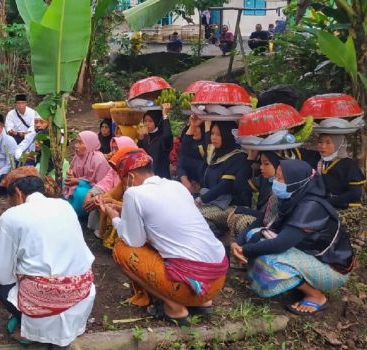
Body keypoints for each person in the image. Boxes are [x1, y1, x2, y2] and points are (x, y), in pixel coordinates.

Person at [98, 149, 228, 325]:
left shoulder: (134, 194)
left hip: (185, 287)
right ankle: (203, 303)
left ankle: (174, 307)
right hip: (217, 280)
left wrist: (113, 216)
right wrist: (125, 212)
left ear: (130, 176)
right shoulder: (176, 186)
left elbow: (133, 240)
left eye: (123, 180)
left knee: (121, 250)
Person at [0, 166, 95, 347]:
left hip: (44, 307)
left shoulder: (12, 216)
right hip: (80, 296)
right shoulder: (64, 206)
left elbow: (0, 274)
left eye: (11, 199)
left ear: (17, 192)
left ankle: (25, 322)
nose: (11, 204)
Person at [231, 160, 354, 315]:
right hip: (306, 253)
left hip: (332, 269)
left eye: (281, 179)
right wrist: (238, 243)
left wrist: (246, 250)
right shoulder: (284, 198)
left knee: (268, 260)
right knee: (252, 235)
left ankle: (316, 296)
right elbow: (260, 221)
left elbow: (280, 245)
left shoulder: (311, 207)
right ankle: (293, 281)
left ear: (297, 181)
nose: (276, 182)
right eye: (276, 177)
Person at [196, 121, 250, 235]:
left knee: (196, 215)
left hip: (232, 206)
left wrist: (201, 199)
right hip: (213, 200)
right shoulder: (216, 154)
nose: (213, 137)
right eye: (212, 133)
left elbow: (225, 186)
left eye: (219, 135)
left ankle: (216, 242)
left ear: (227, 136)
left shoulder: (238, 157)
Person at [83, 136, 137, 239]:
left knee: (102, 202)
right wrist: (91, 193)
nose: (113, 152)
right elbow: (105, 183)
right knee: (91, 195)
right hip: (114, 197)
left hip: (128, 205)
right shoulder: (115, 167)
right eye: (113, 148)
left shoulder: (135, 171)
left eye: (117, 148)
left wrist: (101, 199)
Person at [317, 134, 366, 236]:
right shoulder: (321, 162)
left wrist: (327, 202)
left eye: (328, 142)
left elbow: (354, 194)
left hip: (347, 208)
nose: (323, 146)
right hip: (326, 204)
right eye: (320, 142)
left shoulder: (349, 165)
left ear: (339, 144)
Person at [228, 151, 282, 238]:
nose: (261, 167)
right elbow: (240, 184)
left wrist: (243, 210)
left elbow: (268, 217)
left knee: (242, 220)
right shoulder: (264, 180)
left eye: (266, 164)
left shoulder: (283, 189)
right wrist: (250, 159)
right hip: (262, 219)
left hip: (274, 228)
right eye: (261, 163)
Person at [63, 131, 110, 217]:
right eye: (76, 142)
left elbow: (102, 184)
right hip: (81, 184)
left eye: (80, 142)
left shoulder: (98, 160)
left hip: (94, 189)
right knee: (63, 182)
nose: (76, 145)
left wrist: (78, 181)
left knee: (80, 193)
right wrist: (70, 174)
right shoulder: (78, 156)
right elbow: (72, 169)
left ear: (89, 144)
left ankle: (81, 215)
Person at [137, 103, 173, 179]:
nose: (147, 124)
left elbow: (167, 135)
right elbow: (139, 154)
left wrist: (165, 115)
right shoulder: (145, 136)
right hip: (146, 178)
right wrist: (140, 138)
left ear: (157, 122)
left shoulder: (162, 139)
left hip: (161, 179)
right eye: (145, 121)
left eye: (150, 121)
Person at [177, 116, 209, 195]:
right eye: (191, 128)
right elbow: (182, 163)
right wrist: (184, 179)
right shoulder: (188, 144)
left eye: (197, 127)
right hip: (189, 186)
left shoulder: (208, 143)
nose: (194, 130)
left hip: (204, 187)